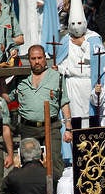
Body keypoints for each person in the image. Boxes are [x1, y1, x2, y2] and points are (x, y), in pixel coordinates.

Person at [15, 45, 72, 180]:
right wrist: (1, 81)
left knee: (55, 162)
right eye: (33, 58)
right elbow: (8, 97)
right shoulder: (21, 78)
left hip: (51, 126)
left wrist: (68, 128)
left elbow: (64, 102)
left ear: (45, 59)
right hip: (28, 128)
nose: (37, 61)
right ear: (28, 60)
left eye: (39, 58)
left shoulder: (56, 77)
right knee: (29, 164)